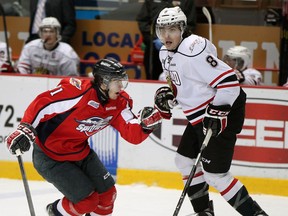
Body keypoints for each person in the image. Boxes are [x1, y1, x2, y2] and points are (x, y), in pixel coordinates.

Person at [5, 58, 162, 216]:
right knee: (87, 202)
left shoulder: (120, 102)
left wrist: (146, 126)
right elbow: (42, 103)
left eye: (122, 81)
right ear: (103, 82)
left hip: (80, 152)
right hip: (50, 157)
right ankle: (55, 212)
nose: (121, 87)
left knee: (108, 197)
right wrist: (25, 128)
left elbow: (132, 134)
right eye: (117, 82)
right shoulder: (77, 92)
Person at [153, 6, 268, 215]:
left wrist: (218, 112)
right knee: (184, 161)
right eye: (161, 30)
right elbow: (184, 86)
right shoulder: (165, 52)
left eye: (171, 29)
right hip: (201, 115)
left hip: (223, 112)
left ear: (182, 29)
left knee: (216, 175)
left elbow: (229, 82)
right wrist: (171, 96)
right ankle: (204, 212)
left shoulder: (193, 51)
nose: (165, 35)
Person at [136, 0, 196, 80]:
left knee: (179, 79)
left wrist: (175, 38)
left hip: (179, 49)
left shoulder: (187, 1)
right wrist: (157, 38)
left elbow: (190, 25)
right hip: (154, 49)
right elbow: (143, 21)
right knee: (152, 78)